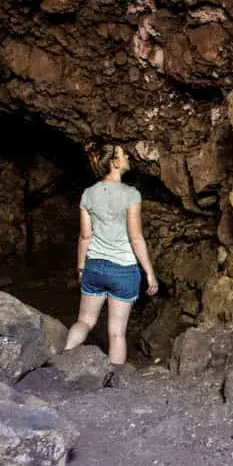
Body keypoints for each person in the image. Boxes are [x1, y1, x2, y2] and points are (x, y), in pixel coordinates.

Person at [64, 141, 158, 365]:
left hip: (94, 266)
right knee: (116, 334)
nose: (127, 156)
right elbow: (136, 238)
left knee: (85, 321)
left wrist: (80, 267)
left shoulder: (88, 194)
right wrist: (150, 273)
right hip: (123, 270)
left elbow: (85, 236)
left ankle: (62, 358)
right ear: (115, 163)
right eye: (123, 154)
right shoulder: (131, 195)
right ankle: (114, 385)